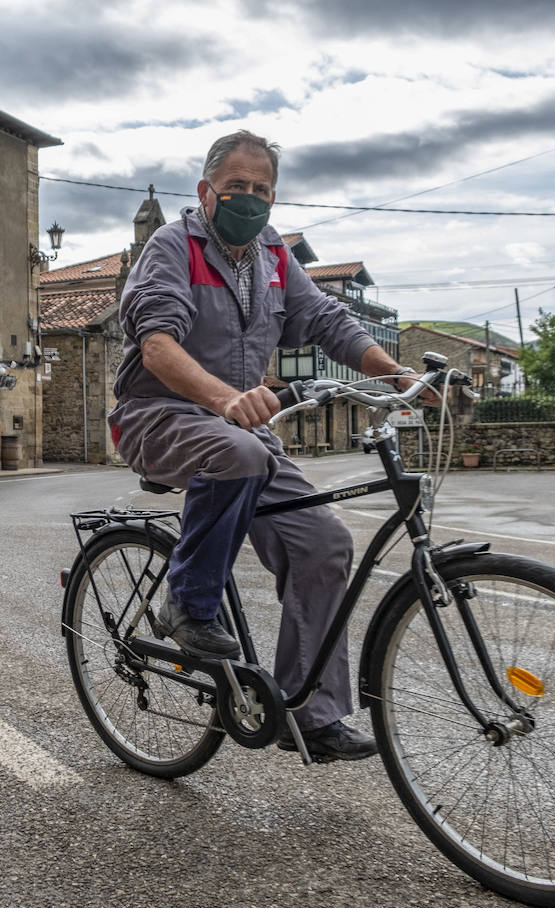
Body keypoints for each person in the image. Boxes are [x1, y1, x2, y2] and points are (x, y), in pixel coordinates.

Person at [109, 130, 423, 762]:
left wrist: (402, 377)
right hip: (157, 415)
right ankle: (189, 603)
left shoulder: (275, 257)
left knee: (325, 543)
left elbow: (329, 322)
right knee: (244, 452)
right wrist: (225, 397)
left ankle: (312, 714)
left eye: (262, 190)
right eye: (237, 188)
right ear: (206, 192)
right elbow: (158, 344)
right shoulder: (174, 247)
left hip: (237, 430)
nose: (250, 200)